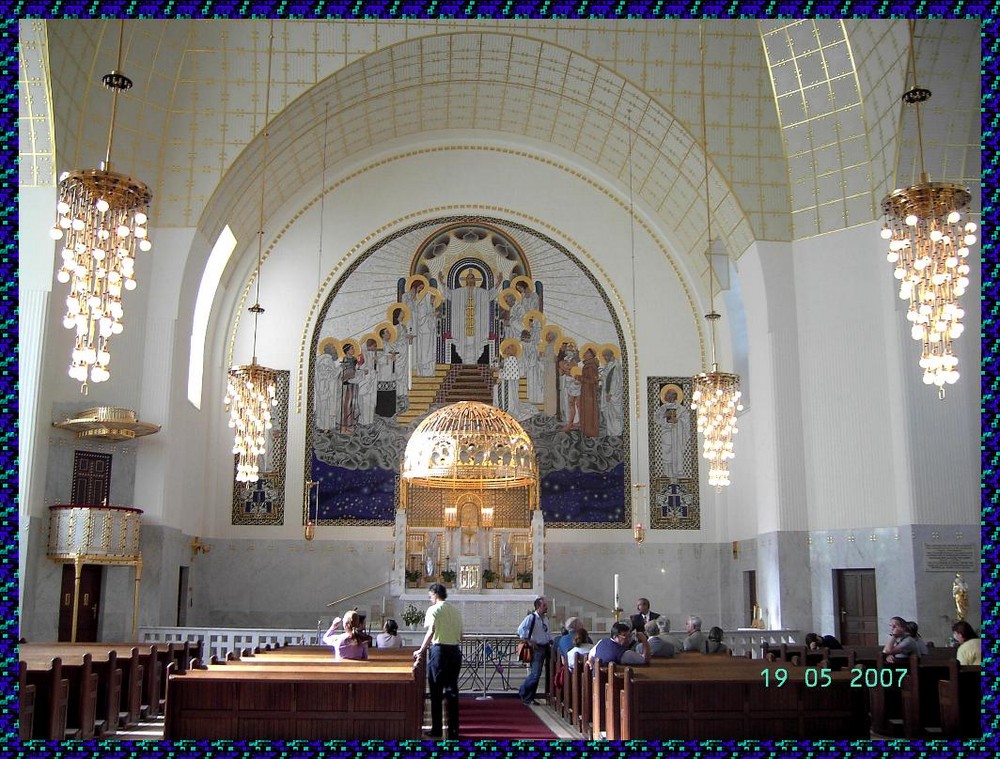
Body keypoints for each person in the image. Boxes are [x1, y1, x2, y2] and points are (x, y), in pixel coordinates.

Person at [413, 583, 463, 739]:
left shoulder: (433, 610)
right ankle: (454, 731)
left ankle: (436, 729)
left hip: (439, 652)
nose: (429, 600)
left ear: (435, 594)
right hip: (455, 651)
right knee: (452, 691)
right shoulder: (455, 611)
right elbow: (461, 635)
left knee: (436, 692)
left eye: (430, 596)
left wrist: (421, 650)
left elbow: (431, 630)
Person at [441, 268, 499, 364]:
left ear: (475, 281)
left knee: (475, 346)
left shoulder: (481, 292)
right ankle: (465, 361)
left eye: (472, 279)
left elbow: (490, 295)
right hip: (462, 330)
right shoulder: (460, 292)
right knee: (464, 346)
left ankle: (474, 361)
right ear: (466, 281)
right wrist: (442, 282)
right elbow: (449, 294)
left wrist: (498, 283)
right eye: (469, 279)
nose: (471, 281)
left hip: (477, 330)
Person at [517, 596, 554, 705]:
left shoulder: (545, 619)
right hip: (536, 648)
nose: (546, 607)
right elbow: (520, 629)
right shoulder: (531, 617)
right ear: (538, 607)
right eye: (544, 606)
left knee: (537, 674)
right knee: (535, 674)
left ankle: (529, 697)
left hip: (545, 646)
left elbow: (546, 632)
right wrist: (529, 641)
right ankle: (523, 690)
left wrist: (550, 640)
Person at [401, 277, 440, 377]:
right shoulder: (406, 296)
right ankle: (413, 369)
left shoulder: (421, 298)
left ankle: (423, 370)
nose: (420, 290)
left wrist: (432, 312)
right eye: (419, 287)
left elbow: (423, 314)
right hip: (411, 323)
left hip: (420, 326)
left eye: (422, 288)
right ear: (414, 286)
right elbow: (405, 309)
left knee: (422, 349)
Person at [655, 385, 691, 477]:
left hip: (677, 434)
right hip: (666, 434)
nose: (669, 397)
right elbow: (656, 420)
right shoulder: (662, 408)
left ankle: (677, 472)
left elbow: (686, 420)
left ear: (675, 397)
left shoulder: (681, 408)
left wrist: (678, 421)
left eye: (672, 395)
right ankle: (666, 473)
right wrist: (664, 415)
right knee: (666, 454)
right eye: (668, 395)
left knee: (676, 453)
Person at [599, 347, 623, 436]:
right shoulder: (609, 365)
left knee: (615, 414)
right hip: (608, 393)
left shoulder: (616, 366)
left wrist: (610, 393)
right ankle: (610, 432)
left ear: (609, 355)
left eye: (605, 356)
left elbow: (615, 381)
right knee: (609, 413)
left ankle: (616, 433)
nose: (605, 358)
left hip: (614, 394)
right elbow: (606, 377)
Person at [579, 347, 600, 436]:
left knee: (589, 412)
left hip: (589, 393)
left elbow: (592, 381)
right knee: (586, 411)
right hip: (587, 391)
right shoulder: (588, 365)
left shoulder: (590, 366)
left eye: (587, 353)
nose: (584, 354)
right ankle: (586, 431)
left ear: (591, 355)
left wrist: (580, 378)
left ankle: (590, 432)